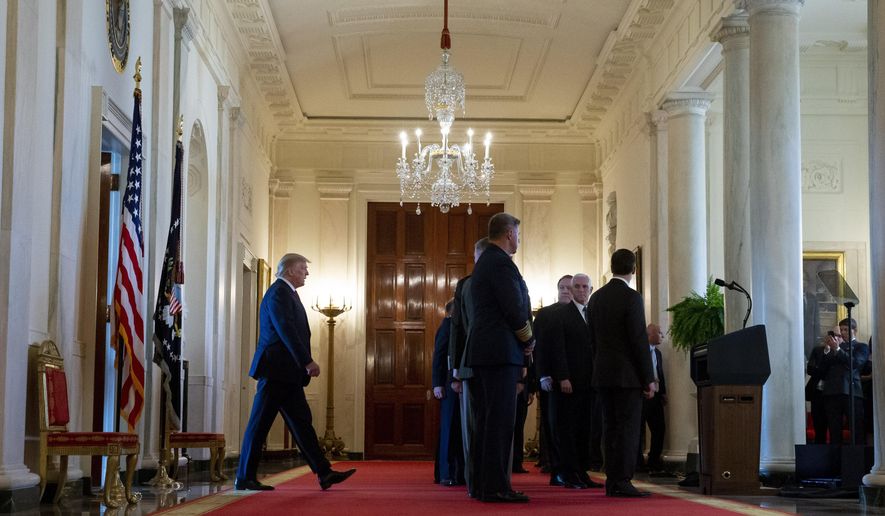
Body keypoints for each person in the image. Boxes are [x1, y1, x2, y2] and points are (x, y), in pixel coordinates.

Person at [236, 253, 356, 491]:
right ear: (290, 270)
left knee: (302, 424)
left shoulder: (287, 293)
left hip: (287, 374)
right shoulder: (279, 292)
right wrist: (307, 361)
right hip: (276, 370)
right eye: (303, 268)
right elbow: (286, 330)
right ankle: (244, 477)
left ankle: (324, 473)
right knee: (259, 424)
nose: (306, 273)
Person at [465, 213, 535, 503]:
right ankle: (495, 487)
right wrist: (528, 339)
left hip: (487, 353)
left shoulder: (487, 262)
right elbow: (514, 308)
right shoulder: (501, 263)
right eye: (517, 234)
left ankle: (484, 484)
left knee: (487, 421)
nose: (518, 239)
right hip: (500, 353)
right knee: (499, 423)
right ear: (508, 233)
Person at [588, 249, 655, 498]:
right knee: (627, 430)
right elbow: (638, 340)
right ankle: (623, 481)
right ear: (633, 269)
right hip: (627, 377)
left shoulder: (596, 298)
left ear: (612, 267)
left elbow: (592, 339)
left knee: (610, 427)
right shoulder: (632, 297)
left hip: (603, 374)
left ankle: (611, 481)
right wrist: (649, 377)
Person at [540, 273, 603, 489]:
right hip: (569, 383)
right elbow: (558, 348)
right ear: (572, 290)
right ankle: (568, 473)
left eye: (585, 286)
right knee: (568, 429)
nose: (581, 290)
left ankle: (581, 471)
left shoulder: (592, 314)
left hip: (589, 382)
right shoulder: (561, 313)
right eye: (577, 286)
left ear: (591, 289)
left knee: (585, 430)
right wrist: (563, 376)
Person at [449, 237, 491, 497]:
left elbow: (458, 328)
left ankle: (477, 480)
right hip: (476, 364)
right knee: (479, 426)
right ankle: (479, 480)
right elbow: (458, 327)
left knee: (473, 428)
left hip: (471, 364)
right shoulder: (466, 284)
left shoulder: (468, 283)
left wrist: (456, 368)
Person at [531, 275, 573, 475]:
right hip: (551, 379)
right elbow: (538, 347)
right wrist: (542, 375)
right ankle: (550, 461)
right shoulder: (545, 314)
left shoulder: (582, 313)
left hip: (576, 378)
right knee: (551, 422)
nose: (566, 291)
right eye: (562, 287)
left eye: (569, 287)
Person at [821, 318, 870, 445]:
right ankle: (835, 462)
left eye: (846, 330)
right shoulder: (835, 347)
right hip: (832, 392)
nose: (843, 333)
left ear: (855, 330)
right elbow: (823, 368)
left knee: (856, 429)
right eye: (841, 330)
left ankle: (858, 462)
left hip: (852, 392)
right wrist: (827, 350)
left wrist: (837, 350)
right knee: (834, 430)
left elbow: (855, 364)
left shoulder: (861, 347)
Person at [433, 300, 464, 486]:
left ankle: (457, 472)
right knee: (449, 429)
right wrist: (437, 384)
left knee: (458, 429)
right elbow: (439, 356)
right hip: (448, 385)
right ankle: (446, 473)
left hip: (460, 385)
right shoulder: (446, 326)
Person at [638, 323, 667, 471]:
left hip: (655, 396)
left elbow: (660, 374)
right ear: (650, 334)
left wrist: (663, 393)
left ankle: (654, 461)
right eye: (660, 333)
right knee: (638, 430)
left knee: (659, 428)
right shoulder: (640, 351)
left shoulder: (658, 353)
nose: (663, 335)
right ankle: (638, 463)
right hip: (642, 395)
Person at [805, 339, 830, 444]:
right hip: (817, 392)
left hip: (833, 394)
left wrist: (819, 369)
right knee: (818, 426)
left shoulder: (840, 352)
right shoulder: (818, 350)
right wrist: (822, 370)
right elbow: (810, 369)